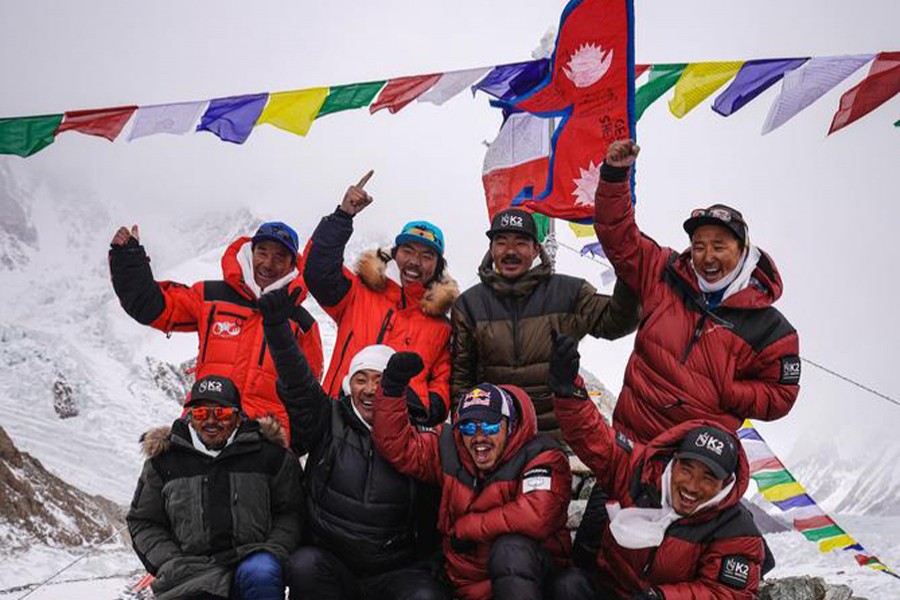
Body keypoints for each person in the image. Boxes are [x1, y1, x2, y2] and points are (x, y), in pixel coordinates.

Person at [593, 139, 801, 443]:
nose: (707, 257)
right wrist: (614, 175)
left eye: (719, 246)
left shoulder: (772, 329)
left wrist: (729, 391)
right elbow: (618, 236)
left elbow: (781, 395)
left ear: (743, 249)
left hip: (693, 463)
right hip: (628, 448)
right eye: (699, 246)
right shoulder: (664, 271)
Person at [257, 287, 447, 600]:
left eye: (380, 379)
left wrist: (433, 562)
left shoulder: (422, 433)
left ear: (397, 386)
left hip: (397, 570)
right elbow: (298, 384)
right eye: (361, 379)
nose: (371, 389)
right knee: (304, 566)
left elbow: (439, 508)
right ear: (349, 384)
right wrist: (278, 332)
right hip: (332, 563)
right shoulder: (328, 418)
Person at [549, 335, 769, 600]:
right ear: (673, 461)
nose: (691, 485)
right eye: (686, 468)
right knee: (568, 585)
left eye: (709, 477)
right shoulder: (640, 470)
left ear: (726, 484)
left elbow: (727, 594)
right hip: (611, 591)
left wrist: (662, 597)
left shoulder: (737, 531)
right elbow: (595, 438)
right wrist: (568, 390)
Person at [372, 356, 572, 600]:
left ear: (510, 426)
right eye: (468, 427)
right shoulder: (450, 449)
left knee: (510, 550)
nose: (478, 438)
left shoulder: (541, 456)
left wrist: (468, 528)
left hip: (531, 580)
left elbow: (536, 515)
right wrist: (392, 389)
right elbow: (399, 447)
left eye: (489, 427)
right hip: (463, 579)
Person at [109, 221, 324, 440]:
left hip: (264, 446)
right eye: (262, 251)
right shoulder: (211, 296)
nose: (268, 263)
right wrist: (128, 260)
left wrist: (292, 449)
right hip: (204, 429)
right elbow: (153, 307)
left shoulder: (303, 325)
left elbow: (307, 397)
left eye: (280, 256)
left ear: (292, 265)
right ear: (251, 252)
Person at [451, 207, 641, 437]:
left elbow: (616, 323)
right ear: (491, 249)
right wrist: (462, 434)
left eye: (521, 242)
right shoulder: (469, 305)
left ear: (536, 250)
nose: (510, 251)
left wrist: (628, 272)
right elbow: (461, 379)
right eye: (501, 242)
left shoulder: (570, 292)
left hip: (556, 436)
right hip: (494, 436)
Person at [126, 374, 303, 600]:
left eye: (222, 413)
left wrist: (274, 549)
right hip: (188, 570)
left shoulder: (270, 456)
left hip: (251, 559)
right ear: (190, 416)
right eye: (200, 413)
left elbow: (291, 511)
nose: (211, 421)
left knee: (262, 572)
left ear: (238, 417)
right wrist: (168, 561)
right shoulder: (164, 461)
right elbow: (144, 521)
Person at [303, 171, 458, 426]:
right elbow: (318, 272)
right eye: (408, 250)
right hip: (337, 419)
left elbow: (442, 380)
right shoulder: (357, 293)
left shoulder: (441, 326)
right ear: (394, 254)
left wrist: (426, 409)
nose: (414, 262)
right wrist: (343, 216)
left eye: (426, 256)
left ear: (438, 266)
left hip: (400, 431)